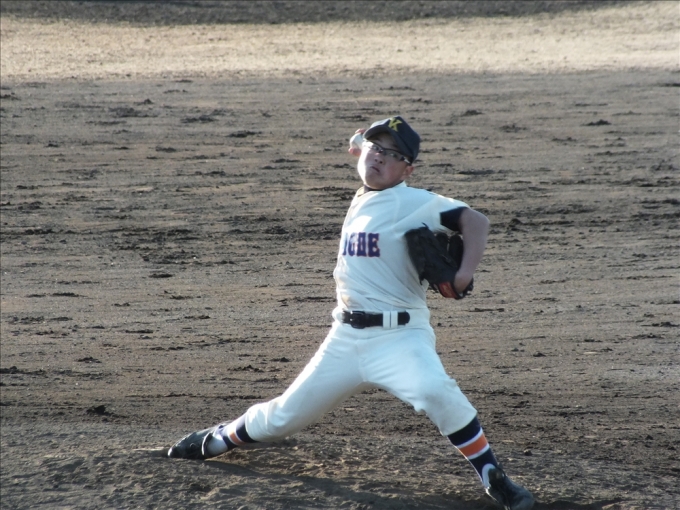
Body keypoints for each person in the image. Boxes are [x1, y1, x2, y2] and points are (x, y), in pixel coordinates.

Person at [168, 116, 534, 510]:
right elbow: (367, 151)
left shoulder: (416, 202)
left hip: (400, 338)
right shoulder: (368, 179)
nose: (378, 158)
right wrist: (362, 144)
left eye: (392, 155)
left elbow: (475, 221)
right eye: (375, 149)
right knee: (283, 418)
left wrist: (463, 274)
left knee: (435, 391)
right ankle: (219, 439)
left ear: (407, 170)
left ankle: (493, 476)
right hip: (343, 340)